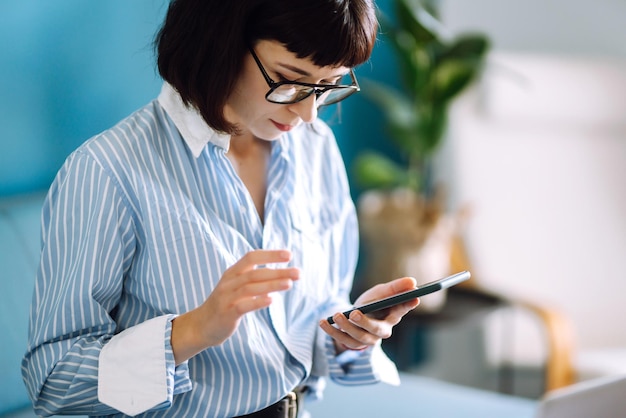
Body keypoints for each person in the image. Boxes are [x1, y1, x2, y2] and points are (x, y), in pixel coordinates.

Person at [21, 0, 420, 417]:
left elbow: (309, 324)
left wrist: (347, 332)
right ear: (220, 42)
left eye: (330, 84)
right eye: (289, 79)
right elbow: (54, 385)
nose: (307, 112)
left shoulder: (315, 147)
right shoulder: (108, 171)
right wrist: (194, 330)